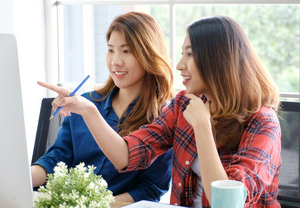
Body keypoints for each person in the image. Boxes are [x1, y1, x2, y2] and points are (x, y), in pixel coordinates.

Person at [39, 15, 282, 207]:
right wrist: (90, 111)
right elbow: (126, 156)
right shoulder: (182, 106)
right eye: (181, 54)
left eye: (189, 55)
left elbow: (227, 203)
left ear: (216, 61)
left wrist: (202, 127)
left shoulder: (263, 123)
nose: (179, 65)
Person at [32, 11, 175, 203]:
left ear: (148, 54)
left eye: (127, 51)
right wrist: (20, 178)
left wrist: (94, 205)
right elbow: (56, 159)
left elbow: (150, 189)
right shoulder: (85, 102)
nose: (115, 61)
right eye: (110, 50)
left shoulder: (163, 120)